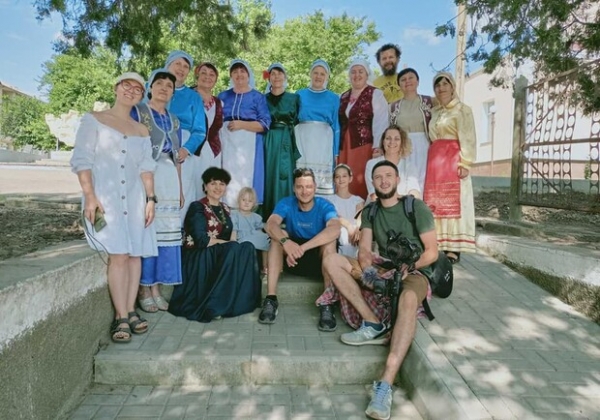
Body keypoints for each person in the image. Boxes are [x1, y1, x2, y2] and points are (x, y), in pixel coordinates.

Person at [318, 160, 438, 419]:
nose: (384, 181)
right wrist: (370, 274)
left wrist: (408, 267)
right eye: (378, 177)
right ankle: (372, 322)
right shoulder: (371, 210)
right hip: (383, 267)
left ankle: (384, 385)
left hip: (415, 270)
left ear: (397, 180)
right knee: (332, 261)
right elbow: (364, 251)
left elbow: (432, 252)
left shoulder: (415, 207)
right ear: (373, 183)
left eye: (388, 176)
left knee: (408, 298)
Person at [70, 72, 157, 343]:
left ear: (141, 96)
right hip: (106, 198)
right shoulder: (94, 120)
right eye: (126, 85)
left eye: (138, 89)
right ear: (116, 88)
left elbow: (146, 168)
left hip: (134, 198)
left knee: (135, 255)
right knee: (118, 255)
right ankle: (121, 316)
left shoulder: (141, 130)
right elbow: (82, 160)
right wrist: (90, 196)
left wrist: (151, 199)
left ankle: (131, 309)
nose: (131, 91)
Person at [168, 167, 261, 322]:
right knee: (233, 247)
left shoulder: (225, 209)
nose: (218, 187)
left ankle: (240, 302)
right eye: (213, 183)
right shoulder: (197, 207)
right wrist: (229, 244)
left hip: (221, 252)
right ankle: (214, 305)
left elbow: (231, 234)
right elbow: (201, 240)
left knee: (247, 247)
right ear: (205, 186)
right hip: (200, 255)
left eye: (222, 184)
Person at [259, 168, 341, 330]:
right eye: (300, 187)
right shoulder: (286, 203)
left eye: (308, 186)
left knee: (330, 241)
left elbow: (335, 229)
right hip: (293, 259)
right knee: (277, 238)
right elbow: (270, 224)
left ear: (315, 187)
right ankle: (271, 299)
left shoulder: (325, 205)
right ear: (294, 188)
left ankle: (327, 304)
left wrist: (302, 248)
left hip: (318, 260)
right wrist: (286, 242)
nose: (305, 191)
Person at [131, 68, 184, 313]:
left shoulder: (174, 120)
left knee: (166, 233)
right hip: (145, 175)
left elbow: (177, 158)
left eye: (169, 85)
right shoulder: (138, 112)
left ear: (173, 92)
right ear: (150, 87)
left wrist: (180, 188)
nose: (164, 88)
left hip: (169, 178)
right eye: (159, 83)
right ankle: (144, 286)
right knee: (148, 231)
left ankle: (157, 288)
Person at [424, 72, 477, 264]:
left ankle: (454, 248)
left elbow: (468, 136)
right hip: (435, 161)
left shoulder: (463, 110)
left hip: (453, 159)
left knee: (455, 201)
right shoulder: (435, 112)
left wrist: (466, 162)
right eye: (437, 85)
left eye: (445, 84)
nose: (441, 88)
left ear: (453, 86)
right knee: (436, 203)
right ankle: (438, 243)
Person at [218, 59, 271, 207]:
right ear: (231, 76)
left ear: (248, 75)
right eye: (235, 72)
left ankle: (246, 212)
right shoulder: (223, 96)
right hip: (227, 143)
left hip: (249, 145)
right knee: (226, 178)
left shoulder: (257, 97)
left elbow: (265, 124)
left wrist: (242, 124)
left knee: (246, 178)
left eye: (242, 71)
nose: (239, 74)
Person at [164, 50, 207, 223]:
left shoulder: (193, 97)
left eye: (186, 66)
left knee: (183, 189)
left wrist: (186, 149)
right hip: (155, 144)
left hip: (183, 146)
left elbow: (200, 131)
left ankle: (179, 232)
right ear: (168, 65)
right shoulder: (151, 88)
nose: (181, 69)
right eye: (177, 64)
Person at [339, 59, 389, 199]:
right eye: (353, 72)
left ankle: (361, 210)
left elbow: (381, 121)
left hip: (364, 146)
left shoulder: (375, 94)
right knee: (344, 180)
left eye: (361, 71)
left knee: (360, 180)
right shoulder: (343, 96)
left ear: (367, 74)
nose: (357, 75)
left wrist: (377, 147)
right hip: (344, 146)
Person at [295, 59, 340, 195]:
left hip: (323, 142)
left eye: (322, 74)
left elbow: (336, 125)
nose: (318, 76)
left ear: (327, 77)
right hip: (303, 140)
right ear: (310, 74)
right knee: (303, 177)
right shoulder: (299, 94)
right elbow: (293, 120)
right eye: (316, 73)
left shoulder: (334, 98)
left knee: (320, 183)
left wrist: (336, 152)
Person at [263, 62, 301, 219]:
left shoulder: (294, 98)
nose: (276, 76)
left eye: (280, 73)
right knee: (268, 174)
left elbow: (297, 120)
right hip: (268, 140)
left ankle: (285, 215)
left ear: (285, 77)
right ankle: (267, 215)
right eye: (273, 74)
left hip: (286, 140)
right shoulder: (263, 99)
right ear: (269, 78)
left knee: (284, 176)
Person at [389, 68, 434, 191]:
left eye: (411, 78)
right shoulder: (393, 107)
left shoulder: (430, 101)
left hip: (424, 146)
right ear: (399, 85)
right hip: (403, 147)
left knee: (423, 178)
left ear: (418, 81)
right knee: (403, 179)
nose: (407, 81)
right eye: (403, 79)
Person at [365, 125, 421, 203]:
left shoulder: (409, 166)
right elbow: (374, 196)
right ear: (383, 142)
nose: (392, 142)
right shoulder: (371, 164)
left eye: (396, 139)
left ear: (402, 143)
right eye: (388, 138)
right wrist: (401, 198)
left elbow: (415, 193)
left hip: (404, 207)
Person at [193, 62, 224, 196]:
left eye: (212, 75)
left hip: (212, 151)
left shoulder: (219, 103)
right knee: (192, 186)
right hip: (193, 151)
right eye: (204, 73)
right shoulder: (189, 97)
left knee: (211, 188)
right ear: (197, 76)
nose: (207, 77)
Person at [326, 164, 364, 257]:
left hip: (355, 236)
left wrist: (357, 228)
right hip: (338, 236)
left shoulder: (357, 200)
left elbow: (359, 216)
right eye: (337, 177)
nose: (341, 179)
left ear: (350, 178)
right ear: (334, 180)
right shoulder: (329, 200)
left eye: (344, 176)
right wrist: (348, 226)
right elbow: (334, 216)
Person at [231, 187, 270, 275]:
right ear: (238, 200)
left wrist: (264, 236)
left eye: (250, 201)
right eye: (244, 200)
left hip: (253, 236)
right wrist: (233, 241)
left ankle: (265, 266)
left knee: (267, 240)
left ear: (254, 203)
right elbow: (234, 230)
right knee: (263, 240)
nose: (246, 203)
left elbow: (259, 231)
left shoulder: (256, 217)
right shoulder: (234, 214)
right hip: (242, 237)